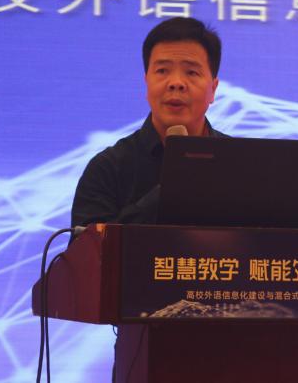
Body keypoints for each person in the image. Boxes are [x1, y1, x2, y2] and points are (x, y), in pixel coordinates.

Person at [71, 17, 226, 228]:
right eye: (162, 71)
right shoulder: (107, 169)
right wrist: (168, 191)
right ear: (147, 82)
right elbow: (88, 247)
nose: (176, 83)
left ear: (213, 89)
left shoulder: (240, 165)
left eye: (191, 72)